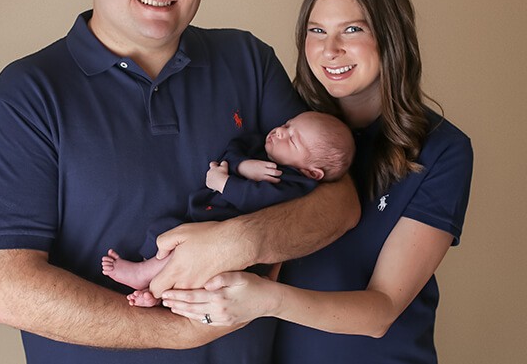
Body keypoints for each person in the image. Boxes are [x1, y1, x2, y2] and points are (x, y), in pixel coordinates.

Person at [0, 0, 359, 364]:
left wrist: (232, 244)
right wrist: (178, 333)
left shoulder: (246, 60)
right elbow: (7, 289)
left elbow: (339, 202)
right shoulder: (27, 95)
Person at [160, 0, 474, 364]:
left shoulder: (440, 151)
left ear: (391, 35)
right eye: (317, 30)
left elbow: (380, 311)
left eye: (353, 29)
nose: (330, 49)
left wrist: (265, 299)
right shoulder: (282, 128)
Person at [101, 111, 355, 307]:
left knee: (184, 254)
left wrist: (223, 183)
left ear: (311, 171)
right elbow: (235, 148)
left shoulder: (294, 183)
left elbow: (259, 200)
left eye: (292, 139)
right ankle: (153, 290)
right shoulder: (263, 150)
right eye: (287, 125)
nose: (279, 132)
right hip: (203, 220)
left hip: (226, 239)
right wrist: (242, 166)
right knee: (163, 230)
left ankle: (142, 274)